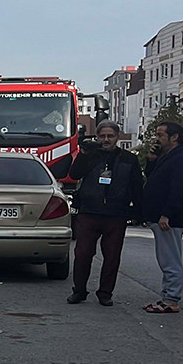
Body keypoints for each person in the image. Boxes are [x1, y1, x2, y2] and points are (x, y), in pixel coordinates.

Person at [65, 121, 143, 306]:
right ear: (97, 137)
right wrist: (83, 155)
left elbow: (137, 186)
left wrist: (138, 211)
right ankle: (79, 290)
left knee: (112, 256)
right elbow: (74, 174)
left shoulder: (128, 159)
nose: (106, 140)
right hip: (89, 212)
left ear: (117, 137)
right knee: (83, 254)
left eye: (110, 136)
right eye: (102, 136)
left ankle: (105, 293)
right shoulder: (90, 155)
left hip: (116, 214)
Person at [140, 121, 183, 314]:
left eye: (161, 135)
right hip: (161, 216)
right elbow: (154, 179)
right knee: (165, 259)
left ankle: (171, 300)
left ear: (174, 137)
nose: (157, 138)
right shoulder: (167, 157)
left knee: (170, 261)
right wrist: (152, 160)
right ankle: (167, 296)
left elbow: (179, 191)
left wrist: (166, 214)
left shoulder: (180, 160)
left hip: (169, 220)